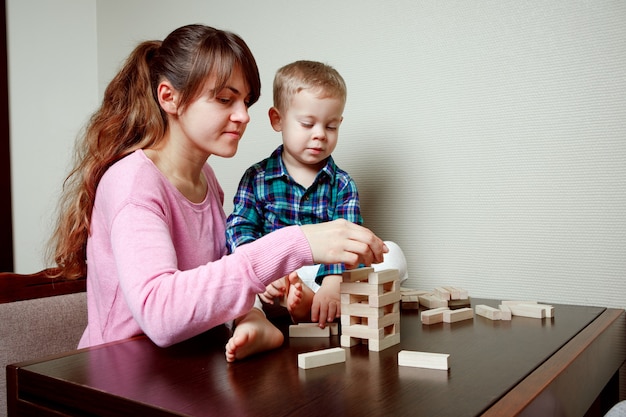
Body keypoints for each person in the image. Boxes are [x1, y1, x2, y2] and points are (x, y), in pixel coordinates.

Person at [47, 25, 387, 362]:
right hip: (122, 375)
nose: (242, 116)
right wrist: (298, 242)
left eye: (245, 101)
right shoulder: (133, 182)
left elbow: (212, 283)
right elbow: (160, 314)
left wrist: (250, 314)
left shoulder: (206, 179)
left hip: (190, 364)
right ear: (169, 97)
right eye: (225, 99)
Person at [226, 60, 362, 328]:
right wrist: (261, 270)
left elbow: (348, 241)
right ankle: (254, 325)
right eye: (307, 124)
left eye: (331, 126)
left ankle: (308, 305)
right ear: (278, 120)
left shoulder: (343, 185)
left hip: (319, 277)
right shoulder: (257, 178)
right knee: (229, 273)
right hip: (270, 279)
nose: (320, 135)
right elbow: (240, 227)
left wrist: (333, 283)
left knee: (391, 255)